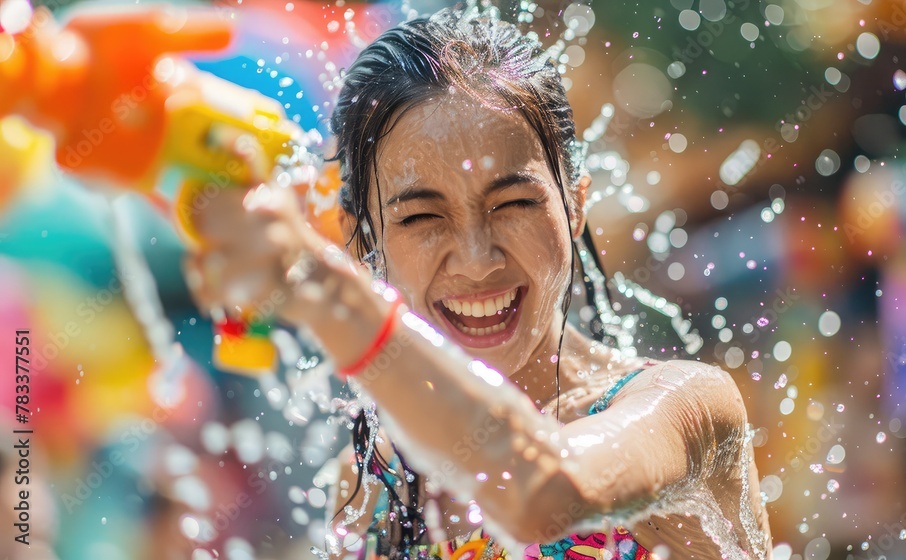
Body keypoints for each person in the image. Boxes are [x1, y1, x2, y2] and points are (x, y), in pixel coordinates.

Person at [185, 5, 772, 559]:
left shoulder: (685, 408)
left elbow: (546, 495)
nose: (475, 260)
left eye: (512, 203)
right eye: (420, 217)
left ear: (574, 205)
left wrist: (316, 284)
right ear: (362, 240)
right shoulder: (374, 490)